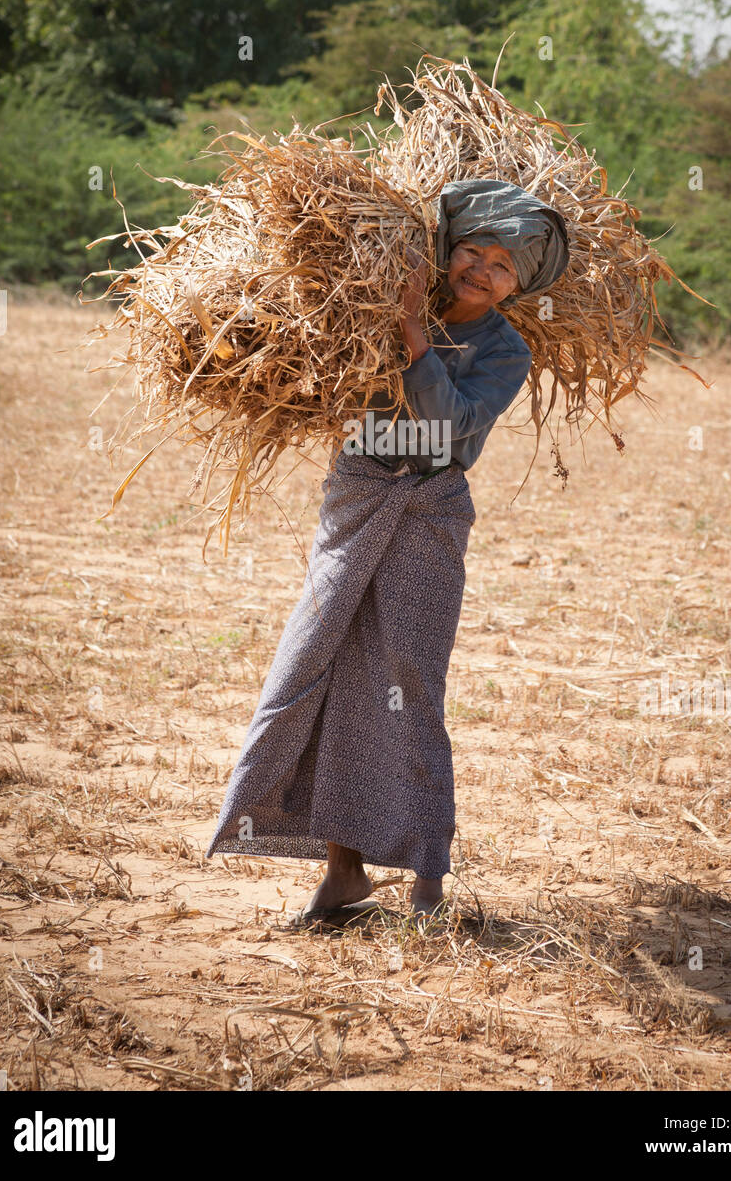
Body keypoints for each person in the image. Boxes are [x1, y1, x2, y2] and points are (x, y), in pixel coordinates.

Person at [205, 179, 569, 923]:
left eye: (504, 265)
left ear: (519, 284)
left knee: (407, 678)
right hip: (358, 492)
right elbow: (315, 371)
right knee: (321, 662)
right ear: (447, 250)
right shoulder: (369, 303)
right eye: (473, 250)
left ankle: (428, 873)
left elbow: (452, 430)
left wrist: (412, 337)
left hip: (428, 511)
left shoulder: (505, 351)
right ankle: (343, 874)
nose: (483, 269)